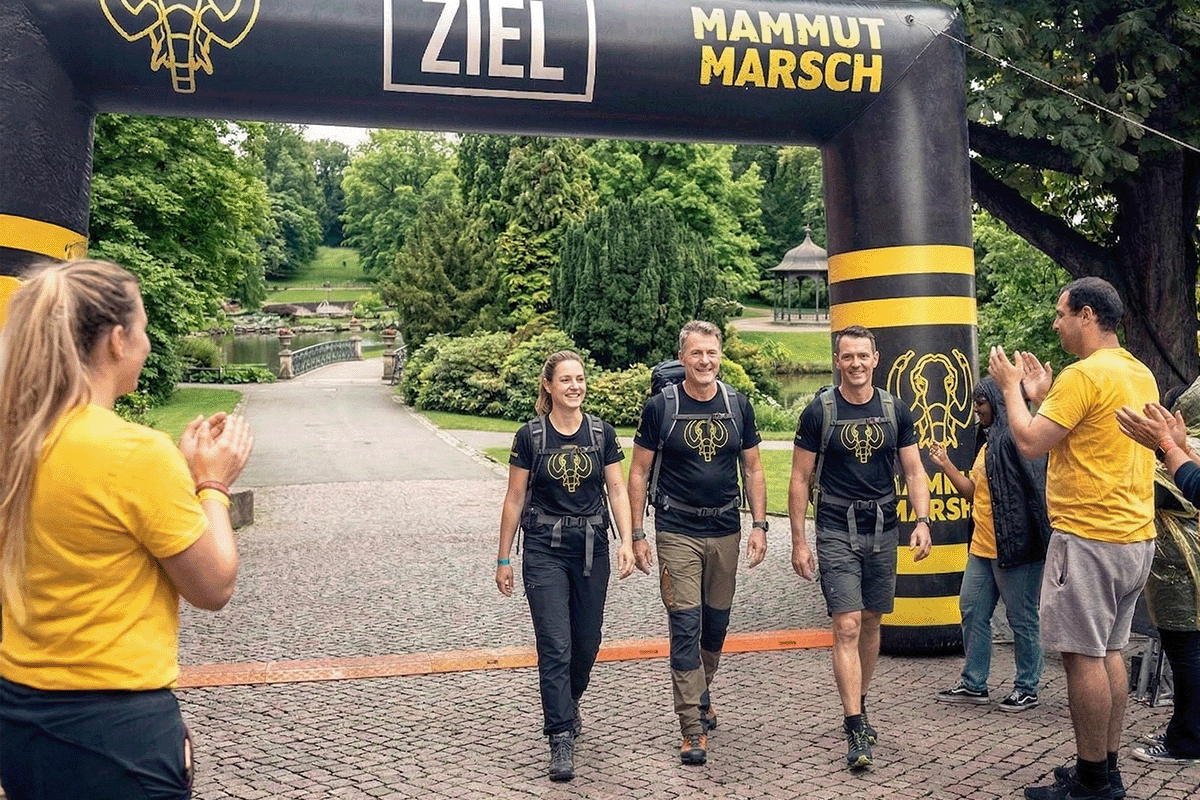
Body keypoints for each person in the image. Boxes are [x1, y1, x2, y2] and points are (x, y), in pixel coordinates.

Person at [0, 259, 254, 799]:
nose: (146, 344)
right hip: (114, 729)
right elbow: (214, 585)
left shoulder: (16, 442)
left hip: (19, 717)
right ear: (116, 340)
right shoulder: (134, 453)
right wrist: (212, 482)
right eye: (141, 329)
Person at [988, 276, 1158, 800]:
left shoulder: (1084, 375)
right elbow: (1080, 434)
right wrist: (1041, 398)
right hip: (1134, 536)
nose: (1056, 323)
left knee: (1082, 657)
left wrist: (1011, 390)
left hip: (1088, 536)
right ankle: (1105, 770)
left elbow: (1030, 442)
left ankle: (1091, 782)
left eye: (1061, 313)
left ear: (1086, 315)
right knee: (1109, 652)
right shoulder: (1138, 372)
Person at [788, 324, 932, 770]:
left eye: (862, 356)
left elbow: (913, 472)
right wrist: (798, 539)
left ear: (875, 358)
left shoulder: (894, 409)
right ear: (837, 360)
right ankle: (854, 727)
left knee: (872, 621)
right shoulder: (819, 412)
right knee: (847, 624)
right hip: (835, 527)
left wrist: (923, 520)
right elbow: (798, 479)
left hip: (883, 527)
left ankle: (860, 701)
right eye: (847, 356)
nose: (855, 364)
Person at [627, 320, 767, 766]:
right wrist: (636, 533)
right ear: (682, 358)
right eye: (696, 354)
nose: (704, 361)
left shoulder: (737, 405)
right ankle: (691, 725)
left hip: (725, 528)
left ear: (719, 356)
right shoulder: (661, 408)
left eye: (711, 353)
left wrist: (761, 525)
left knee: (715, 627)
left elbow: (755, 469)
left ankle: (700, 690)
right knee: (685, 625)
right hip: (676, 530)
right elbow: (638, 472)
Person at [495, 351, 634, 782]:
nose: (575, 386)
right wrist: (503, 557)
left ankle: (568, 701)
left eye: (580, 379)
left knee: (587, 642)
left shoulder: (601, 433)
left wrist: (627, 540)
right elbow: (515, 498)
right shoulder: (531, 436)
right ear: (549, 386)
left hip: (592, 547)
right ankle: (559, 735)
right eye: (566, 380)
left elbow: (616, 488)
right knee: (555, 644)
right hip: (544, 549)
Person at [928, 377, 1050, 711]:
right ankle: (974, 683)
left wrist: (1040, 540)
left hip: (1016, 547)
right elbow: (974, 493)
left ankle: (1027, 686)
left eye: (979, 403)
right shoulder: (988, 442)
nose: (975, 410)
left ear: (995, 401)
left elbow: (1038, 489)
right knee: (971, 609)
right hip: (982, 547)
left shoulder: (1015, 436)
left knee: (1022, 617)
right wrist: (946, 465)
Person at [1115, 380, 1200, 767]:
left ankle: (1187, 739)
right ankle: (1184, 729)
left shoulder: (1188, 448)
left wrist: (1167, 446)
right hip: (1176, 577)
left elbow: (1182, 487)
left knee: (1187, 657)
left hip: (1182, 580)